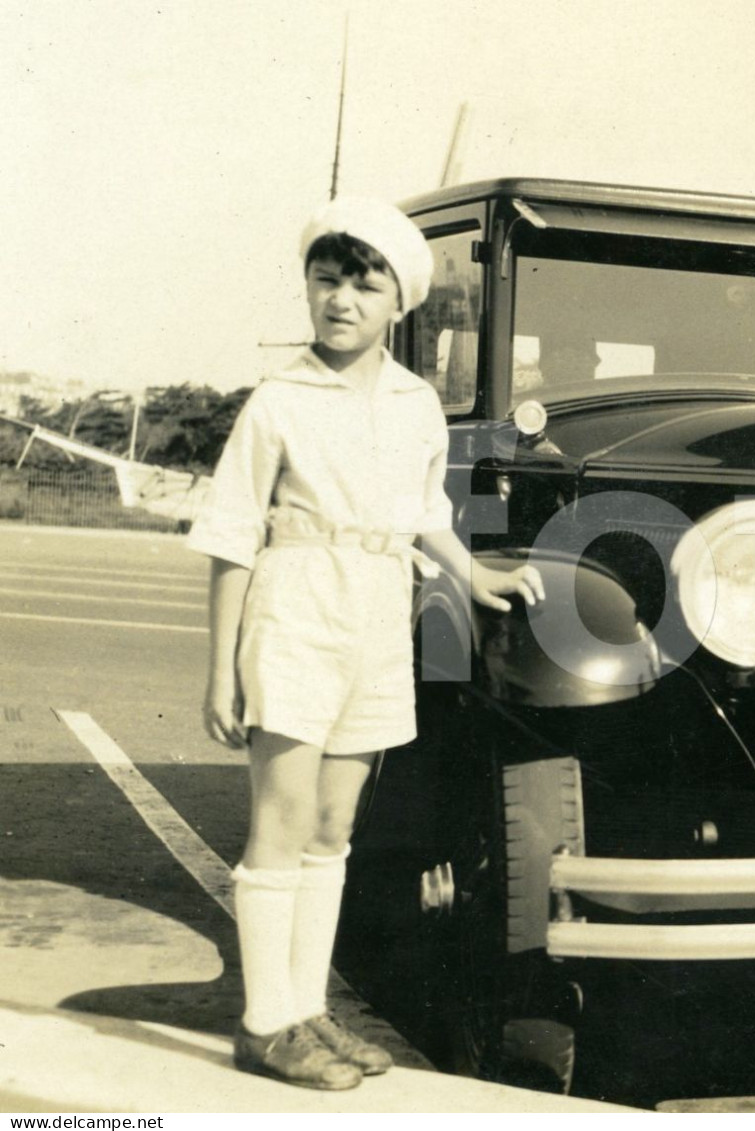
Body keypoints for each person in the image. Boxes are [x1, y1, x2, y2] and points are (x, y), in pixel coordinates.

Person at [188, 197, 544, 1090]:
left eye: (364, 282)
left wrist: (477, 577)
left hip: (380, 612)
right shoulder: (279, 400)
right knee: (282, 820)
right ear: (310, 288)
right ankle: (265, 1021)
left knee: (337, 825)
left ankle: (307, 1008)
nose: (341, 298)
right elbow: (233, 536)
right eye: (327, 278)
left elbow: (427, 513)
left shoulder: (418, 402)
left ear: (399, 303)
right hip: (297, 603)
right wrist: (221, 671)